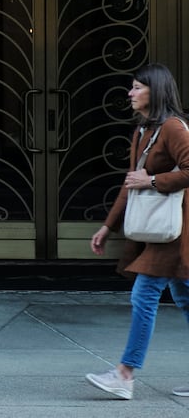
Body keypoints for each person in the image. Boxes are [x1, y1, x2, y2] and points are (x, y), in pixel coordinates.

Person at [87, 63, 189, 401]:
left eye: (136, 88)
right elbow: (131, 183)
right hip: (163, 231)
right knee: (185, 299)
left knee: (143, 295)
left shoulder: (174, 128)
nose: (129, 94)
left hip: (177, 231)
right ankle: (124, 373)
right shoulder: (143, 131)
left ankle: (124, 373)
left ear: (154, 92)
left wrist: (154, 181)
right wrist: (108, 226)